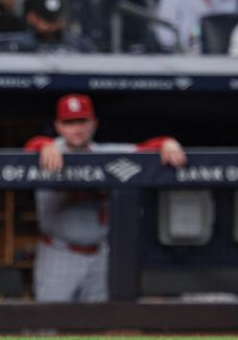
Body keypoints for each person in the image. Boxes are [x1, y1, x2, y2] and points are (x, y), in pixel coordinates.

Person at [24, 93, 186, 302]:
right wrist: (43, 145)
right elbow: (27, 150)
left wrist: (168, 143)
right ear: (58, 126)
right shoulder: (48, 150)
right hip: (59, 252)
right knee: (46, 327)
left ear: (93, 124)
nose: (76, 128)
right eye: (69, 122)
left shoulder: (108, 153)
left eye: (82, 121)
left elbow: (146, 149)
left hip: (100, 254)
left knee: (97, 326)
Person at [9, 0, 95, 53]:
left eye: (55, 19)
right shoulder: (18, 46)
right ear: (32, 17)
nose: (51, 25)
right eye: (46, 19)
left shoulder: (80, 46)